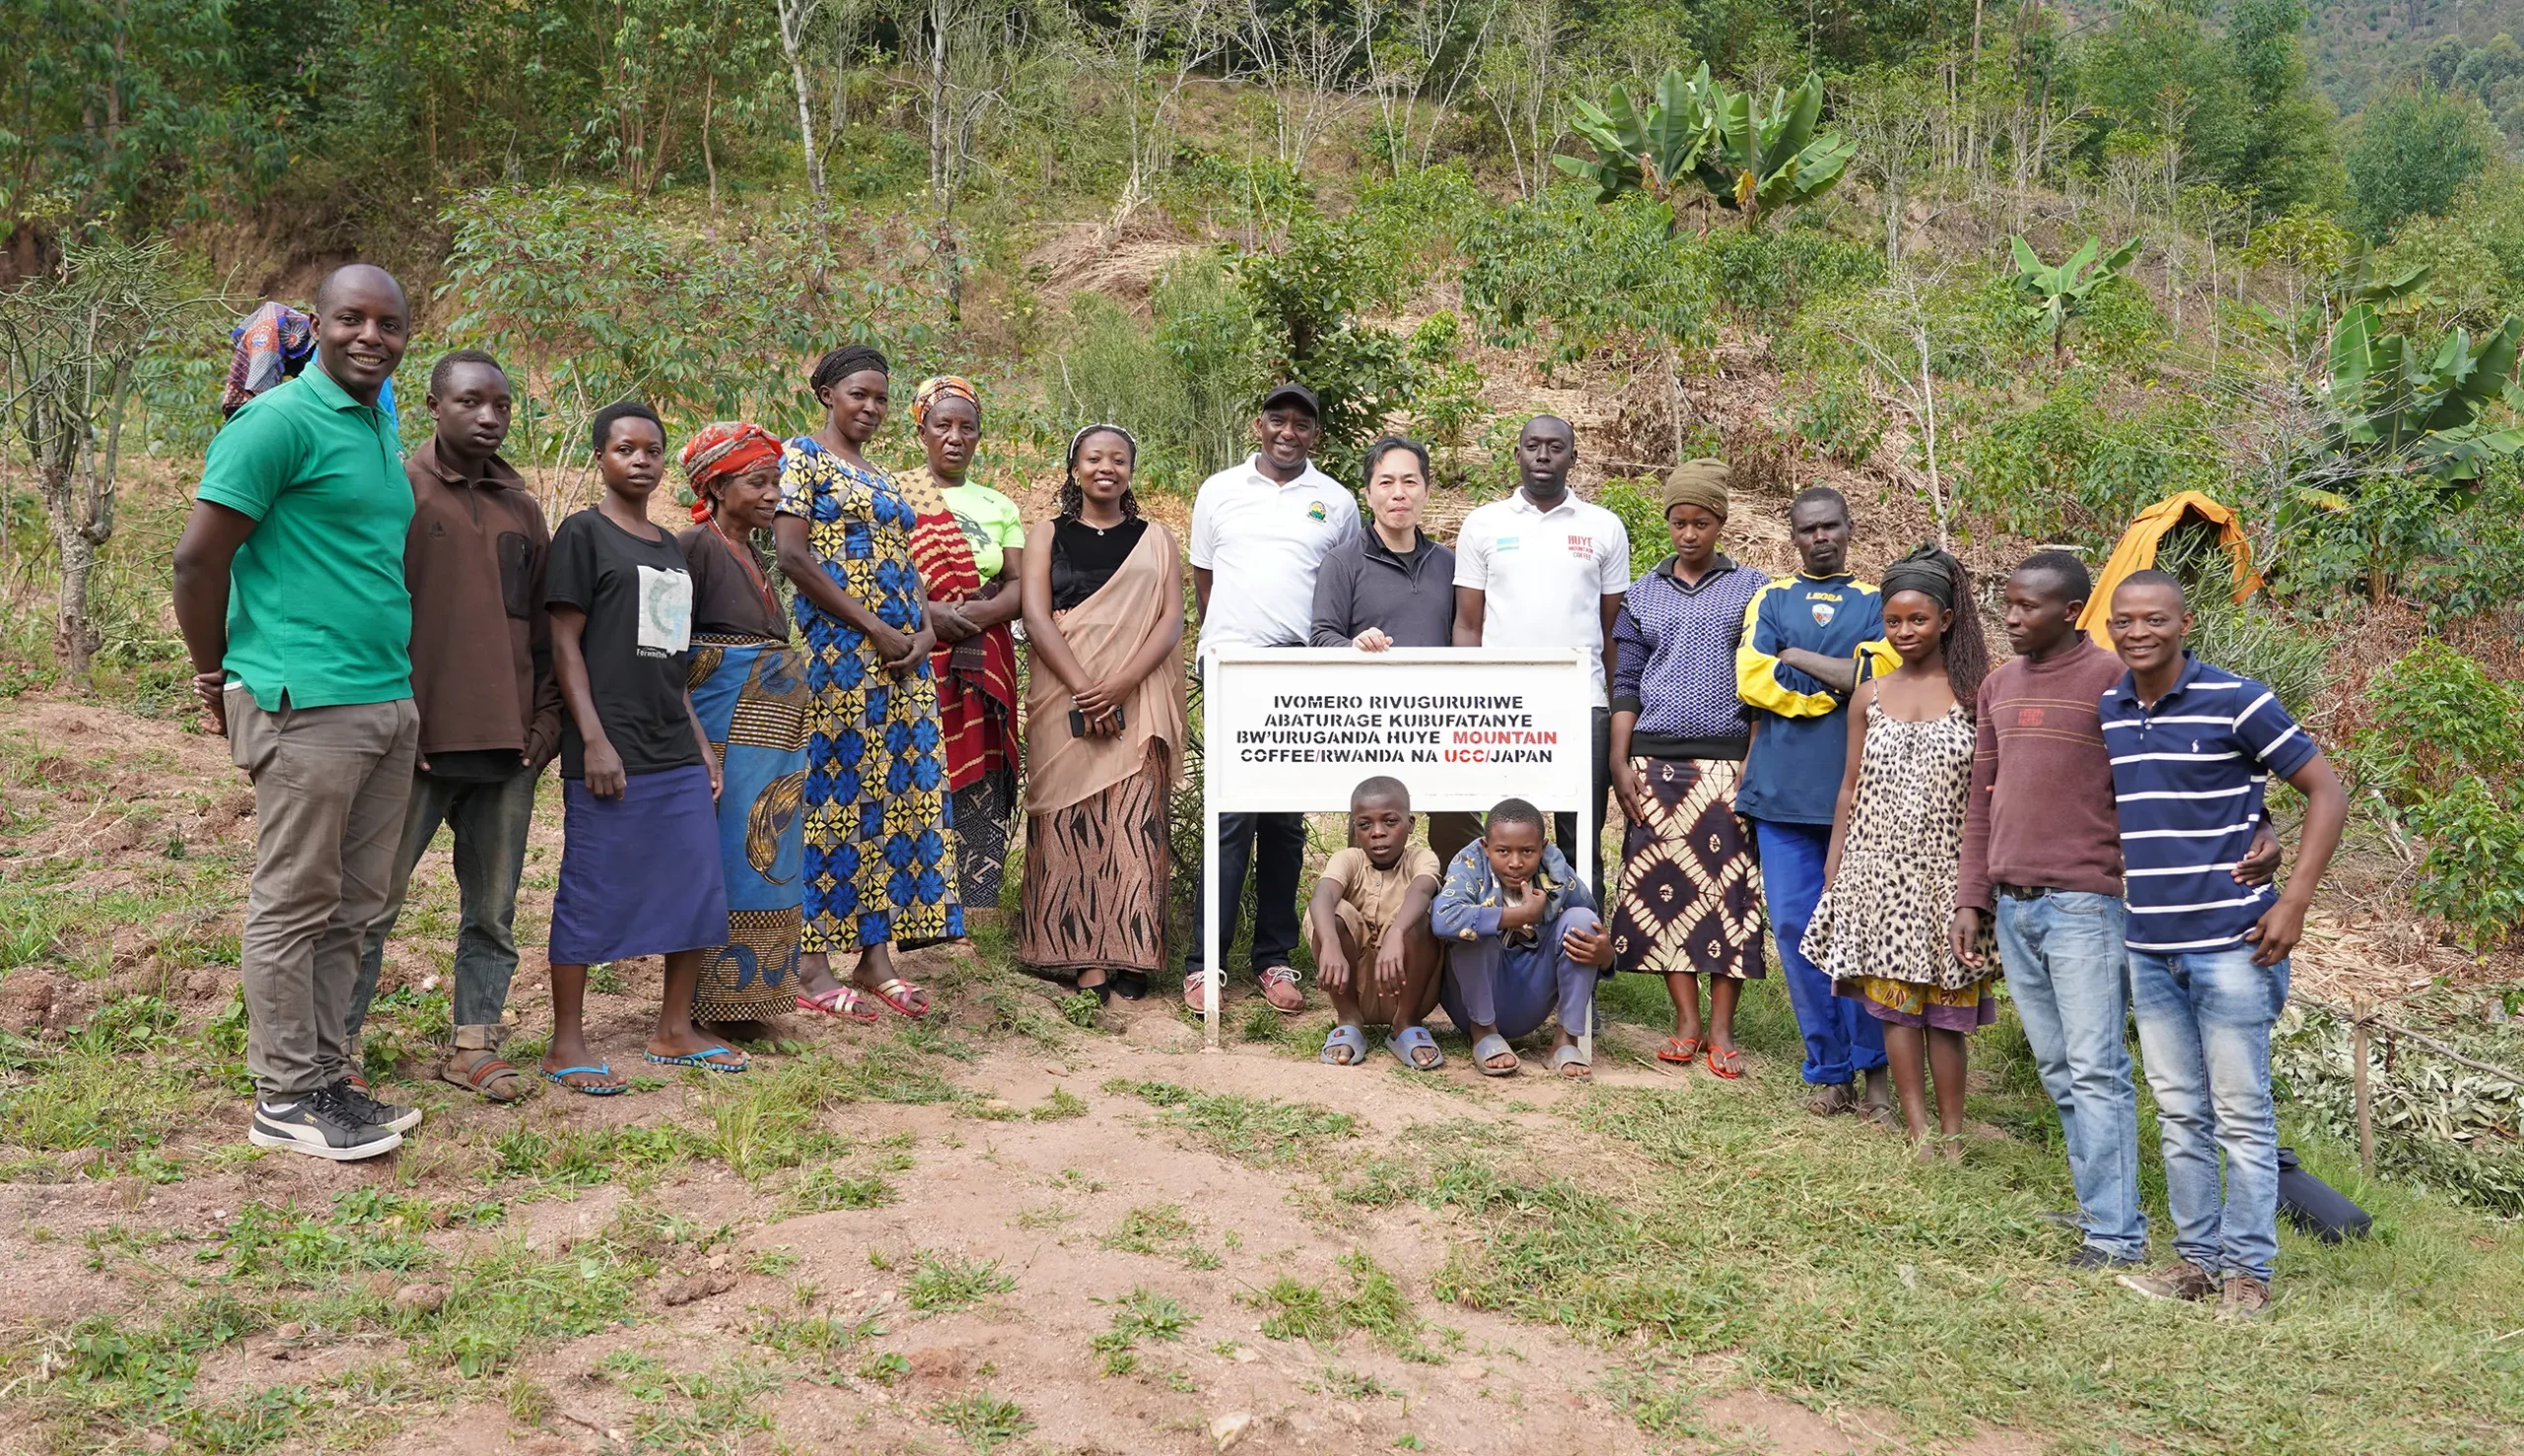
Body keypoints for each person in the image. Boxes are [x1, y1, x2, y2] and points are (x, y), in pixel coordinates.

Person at [1950, 553, 2280, 1268]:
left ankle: (2115, 1236)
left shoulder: (2113, 679)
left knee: (2097, 1070)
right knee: (2059, 1069)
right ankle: (2105, 1210)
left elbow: (2183, 764)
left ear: (2072, 611)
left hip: (2086, 905)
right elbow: (1982, 798)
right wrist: (1972, 896)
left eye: (2027, 606)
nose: (2011, 617)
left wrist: (2263, 824)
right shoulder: (1999, 686)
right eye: (2007, 603)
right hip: (2014, 905)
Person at [172, 263, 423, 1161]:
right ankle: (282, 1096)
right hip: (303, 698)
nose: (371, 337)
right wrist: (215, 673)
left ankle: (325, 1077)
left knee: (354, 904)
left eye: (389, 324)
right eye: (351, 319)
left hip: (384, 696)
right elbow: (198, 561)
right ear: (317, 326)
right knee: (294, 899)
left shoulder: (378, 424)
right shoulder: (276, 423)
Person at [2101, 571, 2346, 1321]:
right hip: (2150, 943)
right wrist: (2257, 822)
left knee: (2241, 1114)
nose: (2138, 632)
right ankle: (2197, 1263)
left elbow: (2327, 791)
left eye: (2154, 619)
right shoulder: (2111, 707)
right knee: (2179, 1113)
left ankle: (2248, 1272)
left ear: (2184, 623)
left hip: (2233, 944)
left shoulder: (2239, 699)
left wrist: (2294, 900)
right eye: (2124, 620)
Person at [348, 349, 560, 1107]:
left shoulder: (521, 507)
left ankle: (474, 1045)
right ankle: (338, 1049)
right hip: (413, 747)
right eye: (471, 401)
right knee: (370, 907)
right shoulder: (398, 490)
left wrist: (546, 724)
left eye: (501, 404)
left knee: (494, 912)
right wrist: (397, 723)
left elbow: (543, 626)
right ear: (434, 406)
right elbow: (368, 611)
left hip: (507, 748)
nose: (489, 416)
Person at [543, 401, 738, 1089]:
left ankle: (674, 1029)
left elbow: (671, 655)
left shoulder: (668, 546)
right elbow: (564, 643)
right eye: (625, 448)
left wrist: (701, 744)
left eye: (652, 450)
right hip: (610, 746)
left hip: (673, 744)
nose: (640, 460)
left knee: (696, 884)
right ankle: (567, 1044)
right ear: (600, 457)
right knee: (591, 887)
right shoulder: (583, 534)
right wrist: (593, 739)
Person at [773, 345, 959, 1020]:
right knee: (837, 798)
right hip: (841, 656)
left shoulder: (880, 475)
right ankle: (811, 964)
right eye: (859, 394)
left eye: (881, 398)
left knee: (894, 796)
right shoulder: (802, 457)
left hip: (903, 660)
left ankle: (876, 957)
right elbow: (793, 556)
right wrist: (873, 628)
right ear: (827, 393)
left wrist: (925, 631)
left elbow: (904, 562)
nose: (872, 407)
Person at [1800, 546, 1997, 1156]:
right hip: (1876, 874)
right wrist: (1835, 864)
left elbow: (1989, 794)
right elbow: (1849, 786)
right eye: (1893, 621)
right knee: (1894, 1010)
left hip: (1948, 878)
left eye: (1918, 619)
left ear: (1946, 619)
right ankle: (1918, 1135)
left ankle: (1953, 1137)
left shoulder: (1975, 696)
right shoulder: (1869, 696)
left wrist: (1979, 885)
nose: (1905, 631)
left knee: (1946, 1015)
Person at [1187, 382, 1356, 1012]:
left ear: (1315, 435)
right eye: (1278, 420)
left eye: (1302, 424)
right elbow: (1205, 579)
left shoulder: (1335, 501)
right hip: (1234, 666)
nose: (1289, 432)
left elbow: (1342, 585)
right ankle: (1205, 963)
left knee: (1285, 822)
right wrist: (1228, 643)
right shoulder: (1219, 491)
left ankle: (1274, 958)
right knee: (1231, 815)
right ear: (1259, 424)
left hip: (1300, 669)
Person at [1734, 486, 1897, 1122]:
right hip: (1781, 796)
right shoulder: (1770, 598)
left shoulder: (1878, 603)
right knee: (1796, 932)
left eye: (1830, 526)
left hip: (1860, 799)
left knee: (1862, 934)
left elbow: (1881, 677)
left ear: (1849, 528)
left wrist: (1799, 658)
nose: (1820, 537)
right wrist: (1835, 687)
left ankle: (1875, 1070)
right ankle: (1830, 1072)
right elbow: (1755, 679)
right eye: (1808, 529)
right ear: (1793, 535)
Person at [1606, 459, 1769, 1078]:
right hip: (1655, 763)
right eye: (1679, 522)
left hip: (1727, 761)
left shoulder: (1752, 590)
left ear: (1720, 522)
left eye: (1701, 522)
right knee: (1664, 891)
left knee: (1730, 895)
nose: (1689, 533)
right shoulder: (1643, 592)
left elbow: (1761, 683)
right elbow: (1626, 680)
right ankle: (1687, 1022)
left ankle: (1723, 1028)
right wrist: (1620, 759)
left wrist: (1754, 756)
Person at [1016, 424, 1188, 999]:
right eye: (1094, 458)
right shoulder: (1047, 534)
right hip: (1064, 693)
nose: (1106, 468)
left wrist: (1120, 686)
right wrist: (1086, 690)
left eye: (1118, 459)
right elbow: (1036, 616)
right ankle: (1081, 956)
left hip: (1139, 696)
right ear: (1075, 469)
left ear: (1131, 471)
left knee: (1135, 823)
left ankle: (1133, 954)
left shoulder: (1157, 539)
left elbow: (1170, 620)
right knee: (1072, 823)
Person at [1451, 414, 1629, 894]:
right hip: (1502, 706)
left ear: (1574, 457)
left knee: (1580, 835)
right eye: (1533, 446)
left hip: (1583, 703)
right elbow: (1467, 624)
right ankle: (1506, 930)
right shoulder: (1483, 524)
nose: (1543, 456)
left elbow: (1612, 631)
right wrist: (1471, 698)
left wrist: (1617, 709)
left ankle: (1583, 931)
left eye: (1555, 446)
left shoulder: (1604, 527)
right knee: (1508, 833)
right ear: (1518, 454)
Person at [676, 421, 814, 1026]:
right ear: (715, 485)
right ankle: (711, 1003)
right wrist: (699, 745)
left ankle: (755, 1003)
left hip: (768, 746)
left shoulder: (753, 555)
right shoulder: (692, 548)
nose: (773, 494)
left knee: (769, 857)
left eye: (775, 481)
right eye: (758, 482)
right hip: (724, 740)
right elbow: (672, 655)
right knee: (730, 861)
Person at [1308, 435, 1479, 867]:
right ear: (1367, 494)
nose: (1398, 493)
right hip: (1373, 726)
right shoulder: (1343, 563)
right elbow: (1321, 636)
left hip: (1443, 724)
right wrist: (1353, 645)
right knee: (1375, 844)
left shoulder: (1448, 563)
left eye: (1409, 481)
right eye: (1386, 482)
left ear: (1426, 490)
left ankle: (1457, 911)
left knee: (1459, 839)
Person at [896, 376, 1025, 922]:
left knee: (981, 770)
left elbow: (1018, 586)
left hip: (982, 653)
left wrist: (967, 617)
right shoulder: (894, 494)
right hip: (911, 649)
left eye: (966, 427)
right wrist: (932, 615)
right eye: (942, 425)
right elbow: (877, 576)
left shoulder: (998, 504)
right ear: (921, 431)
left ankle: (977, 904)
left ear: (978, 435)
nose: (955, 437)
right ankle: (914, 899)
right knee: (917, 764)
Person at [1433, 798, 1615, 1078]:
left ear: (1543, 847)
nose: (1515, 863)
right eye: (1503, 851)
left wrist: (1606, 957)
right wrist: (1519, 915)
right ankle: (1484, 1034)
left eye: (1527, 851)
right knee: (1473, 928)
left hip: (1530, 995)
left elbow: (1591, 923)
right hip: (1471, 1003)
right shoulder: (1470, 863)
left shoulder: (1555, 871)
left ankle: (1565, 1041)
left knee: (1581, 920)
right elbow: (1443, 918)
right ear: (1485, 846)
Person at [1308, 777, 1445, 1070]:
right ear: (1354, 828)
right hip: (1354, 986)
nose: (1378, 832)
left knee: (1421, 915)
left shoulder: (1422, 858)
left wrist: (1397, 933)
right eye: (1365, 824)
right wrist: (1329, 942)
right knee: (1331, 914)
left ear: (1410, 823)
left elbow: (1422, 891)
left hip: (1408, 990)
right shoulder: (1348, 859)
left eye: (1390, 821)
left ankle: (1406, 1023)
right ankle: (1349, 1020)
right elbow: (1322, 895)